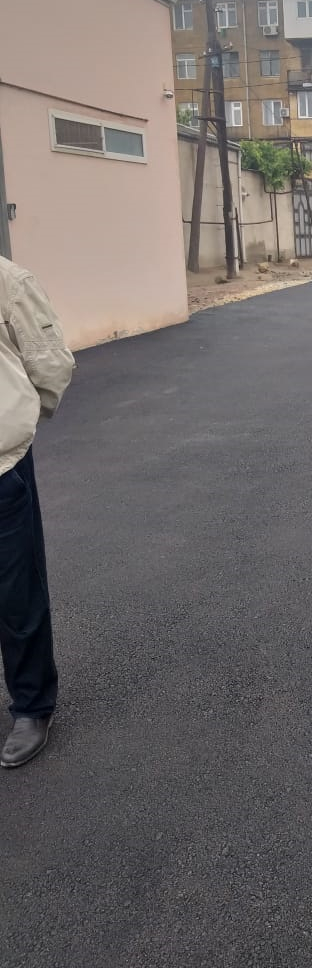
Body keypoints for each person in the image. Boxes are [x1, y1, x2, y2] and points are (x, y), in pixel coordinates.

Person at [0, 256, 75, 769]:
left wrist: (18, 426)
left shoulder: (8, 282)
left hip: (1, 465)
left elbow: (49, 364)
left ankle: (31, 704)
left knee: (16, 590)